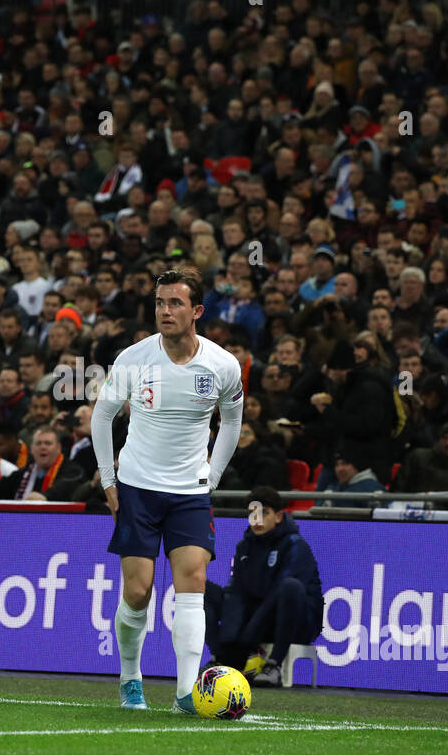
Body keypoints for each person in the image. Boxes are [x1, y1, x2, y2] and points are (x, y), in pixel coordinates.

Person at [90, 268, 243, 714]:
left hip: (189, 494)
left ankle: (186, 695)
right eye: (160, 302)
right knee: (138, 593)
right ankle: (130, 678)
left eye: (175, 303)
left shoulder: (222, 365)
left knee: (192, 583)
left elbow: (231, 423)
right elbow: (102, 418)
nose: (165, 311)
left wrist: (210, 479)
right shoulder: (134, 359)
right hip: (137, 488)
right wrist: (108, 480)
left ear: (196, 311)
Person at [204, 486, 323, 688]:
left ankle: (274, 664)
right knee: (203, 588)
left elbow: (280, 594)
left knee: (290, 587)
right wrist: (231, 643)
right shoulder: (244, 547)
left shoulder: (295, 545)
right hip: (257, 619)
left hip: (296, 622)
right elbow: (237, 592)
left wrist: (247, 638)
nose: (257, 519)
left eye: (264, 513)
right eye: (252, 513)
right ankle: (221, 660)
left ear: (278, 517)